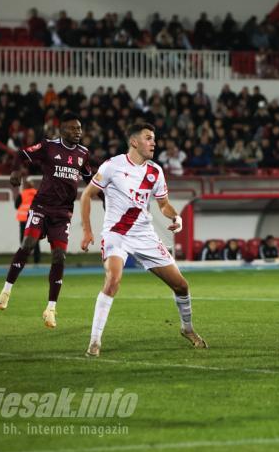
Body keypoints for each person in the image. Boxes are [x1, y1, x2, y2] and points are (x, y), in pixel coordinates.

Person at [80, 123, 207, 356]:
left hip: (144, 235)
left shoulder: (155, 171)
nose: (154, 143)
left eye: (154, 139)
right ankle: (95, 341)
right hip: (116, 233)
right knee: (113, 279)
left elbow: (163, 204)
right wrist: (87, 230)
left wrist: (176, 217)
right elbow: (87, 194)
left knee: (181, 285)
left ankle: (187, 328)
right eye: (149, 138)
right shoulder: (112, 166)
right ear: (134, 142)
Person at [0, 112, 95, 329]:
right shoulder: (49, 146)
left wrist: (106, 197)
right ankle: (6, 290)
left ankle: (50, 308)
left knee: (59, 256)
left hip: (62, 214)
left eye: (80, 128)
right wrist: (15, 171)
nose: (78, 132)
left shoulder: (83, 154)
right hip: (41, 207)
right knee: (28, 244)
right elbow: (21, 154)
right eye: (73, 128)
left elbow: (90, 180)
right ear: (62, 130)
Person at [14, 179, 40, 264]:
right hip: (34, 219)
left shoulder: (22, 193)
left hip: (23, 219)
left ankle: (23, 259)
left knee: (23, 239)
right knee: (35, 238)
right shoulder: (37, 193)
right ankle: (37, 259)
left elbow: (16, 205)